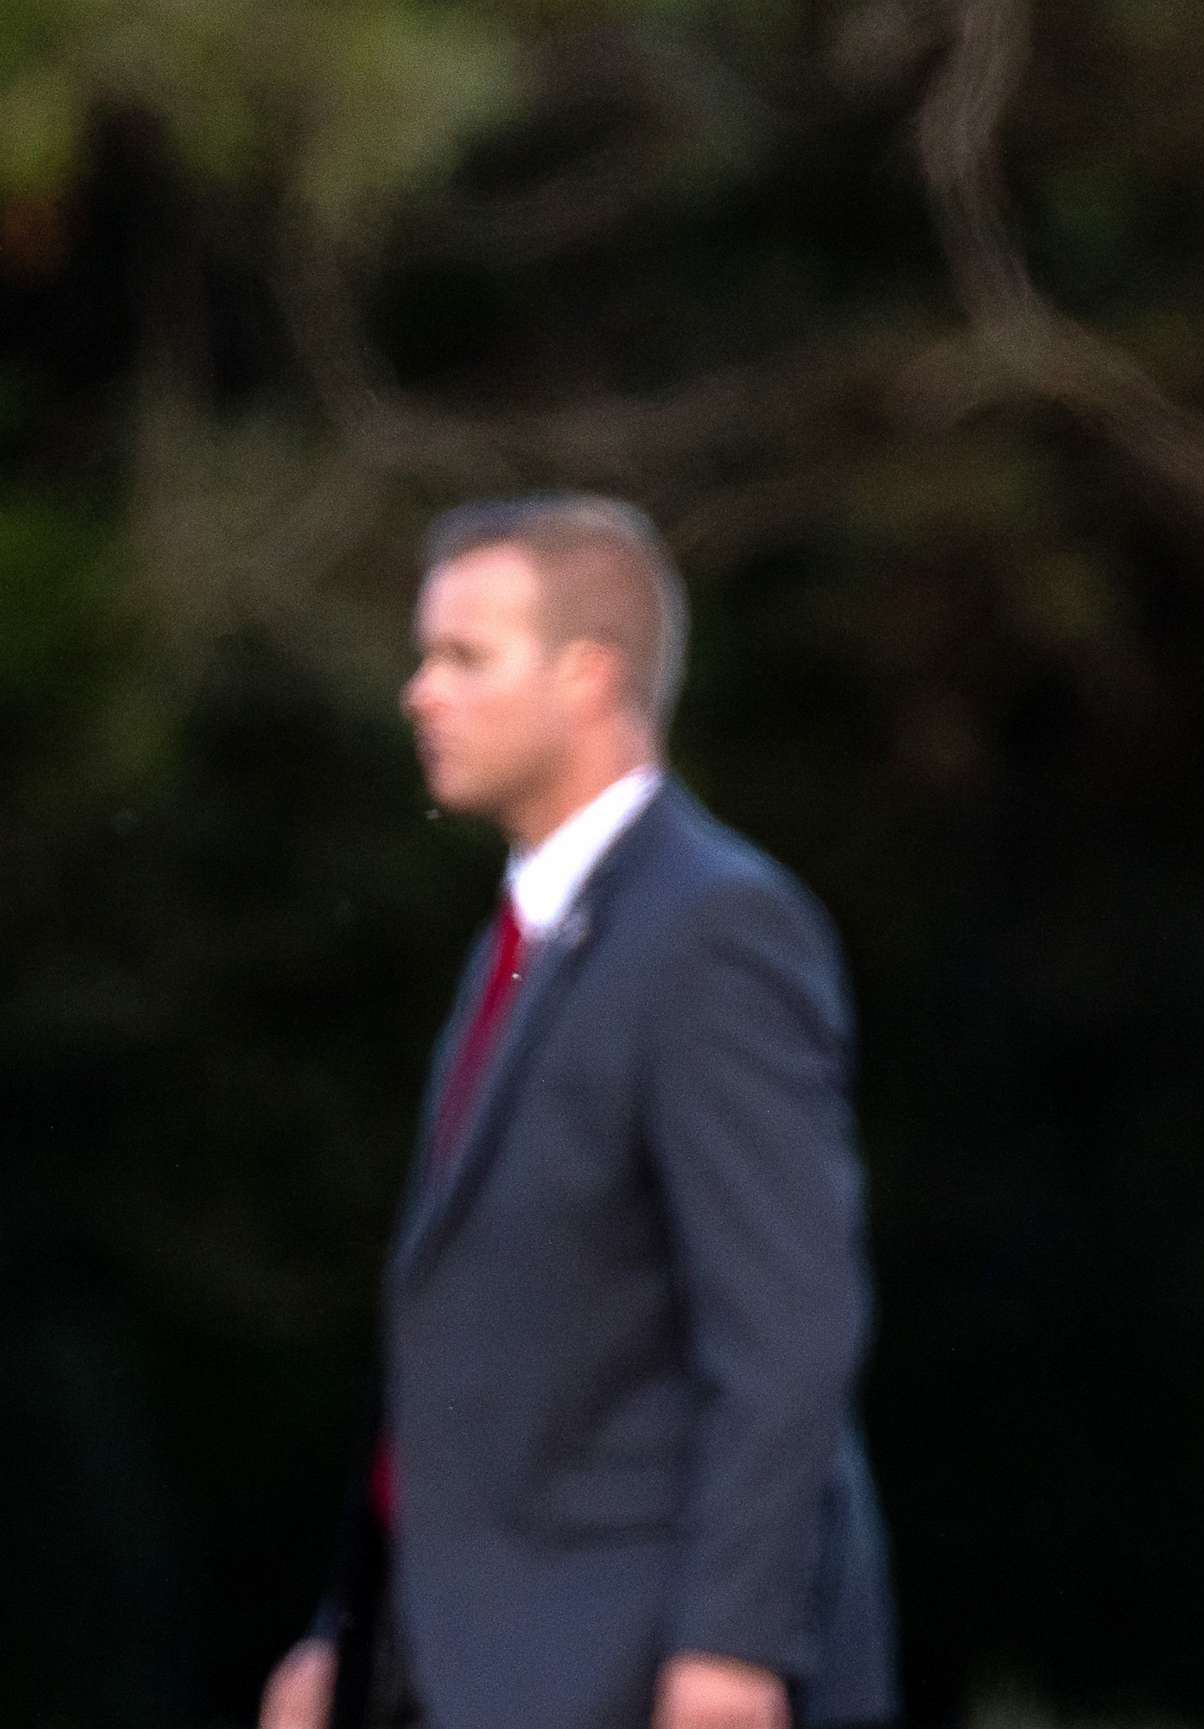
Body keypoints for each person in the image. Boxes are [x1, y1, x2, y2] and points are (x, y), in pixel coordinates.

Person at [257, 497, 898, 1729]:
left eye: (463, 657)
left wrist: (732, 1645)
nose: (418, 692)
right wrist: (350, 1628)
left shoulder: (714, 933)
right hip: (468, 1660)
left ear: (589, 676)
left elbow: (785, 1325)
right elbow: (478, 1332)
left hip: (634, 1663)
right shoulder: (519, 949)